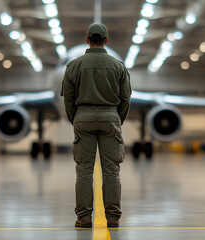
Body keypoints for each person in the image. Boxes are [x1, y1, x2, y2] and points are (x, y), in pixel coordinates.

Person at [61, 23, 131, 228]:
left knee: (84, 170)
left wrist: (77, 118)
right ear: (106, 40)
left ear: (87, 39)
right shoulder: (118, 66)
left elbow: (68, 99)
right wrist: (116, 119)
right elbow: (125, 98)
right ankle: (113, 218)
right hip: (111, 117)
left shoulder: (73, 66)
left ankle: (83, 218)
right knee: (111, 171)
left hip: (83, 117)